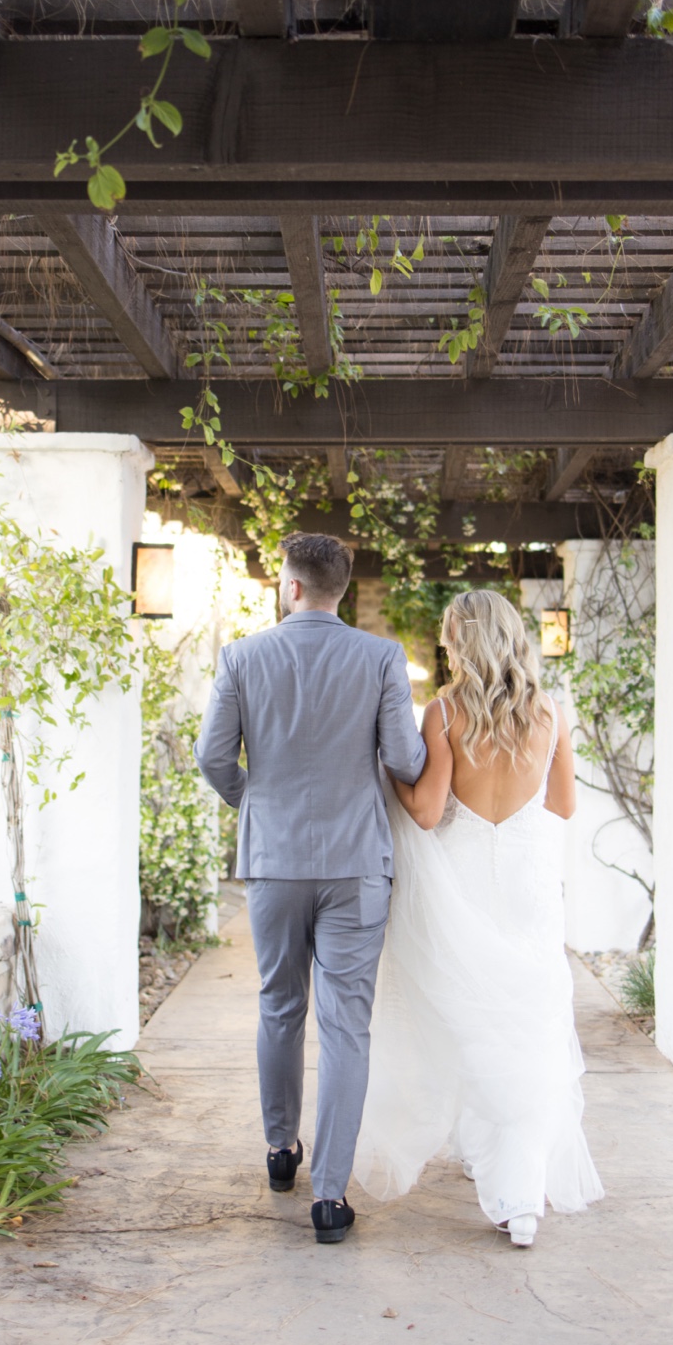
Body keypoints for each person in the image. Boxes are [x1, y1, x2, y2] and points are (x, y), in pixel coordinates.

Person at [353, 588, 604, 1247]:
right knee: (527, 1021)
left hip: (460, 879)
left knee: (465, 1018)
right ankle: (516, 1183)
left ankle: (510, 1183)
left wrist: (388, 777)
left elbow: (429, 813)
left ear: (462, 641)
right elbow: (565, 807)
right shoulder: (551, 713)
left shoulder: (442, 713)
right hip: (525, 882)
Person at [194, 532, 425, 1245]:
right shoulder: (382, 657)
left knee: (279, 1006)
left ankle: (278, 1153)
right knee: (347, 1027)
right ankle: (331, 1198)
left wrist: (256, 804)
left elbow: (211, 756)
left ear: (290, 587)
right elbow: (406, 758)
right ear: (340, 591)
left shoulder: (240, 657)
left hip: (274, 859)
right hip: (356, 864)